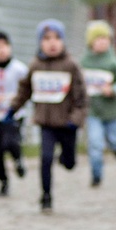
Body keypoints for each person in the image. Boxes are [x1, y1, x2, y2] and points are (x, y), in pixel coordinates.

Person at [6, 19, 87, 213]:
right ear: (40, 42)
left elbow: (81, 97)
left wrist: (75, 120)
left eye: (57, 38)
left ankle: (67, 158)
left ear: (63, 41)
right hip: (46, 123)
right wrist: (12, 109)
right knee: (46, 158)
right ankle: (46, 196)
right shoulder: (35, 65)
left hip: (67, 124)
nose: (52, 43)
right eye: (47, 38)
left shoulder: (71, 65)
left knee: (69, 163)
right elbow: (24, 90)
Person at [80, 20, 116, 187]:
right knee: (95, 143)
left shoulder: (114, 62)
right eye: (98, 38)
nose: (102, 42)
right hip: (93, 111)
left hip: (113, 111)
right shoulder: (83, 62)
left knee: (115, 139)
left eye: (105, 38)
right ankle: (96, 174)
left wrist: (114, 89)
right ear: (91, 42)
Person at [0, 30, 28, 196]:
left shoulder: (20, 69)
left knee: (9, 141)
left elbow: (27, 90)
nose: (1, 50)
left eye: (5, 46)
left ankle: (18, 159)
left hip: (13, 114)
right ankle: (3, 180)